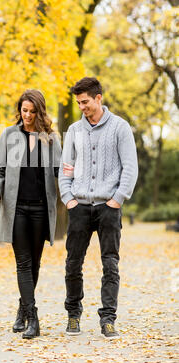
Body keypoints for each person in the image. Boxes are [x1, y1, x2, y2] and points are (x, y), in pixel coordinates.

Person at [58, 77, 138, 339]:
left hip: (108, 207)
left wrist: (117, 199)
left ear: (98, 98)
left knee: (110, 264)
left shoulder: (120, 128)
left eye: (86, 102)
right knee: (72, 263)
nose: (82, 107)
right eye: (78, 103)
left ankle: (108, 319)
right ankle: (73, 315)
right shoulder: (74, 131)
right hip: (79, 206)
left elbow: (130, 167)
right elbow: (65, 169)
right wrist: (68, 198)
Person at [0, 89, 61, 339]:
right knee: (23, 262)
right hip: (16, 207)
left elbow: (60, 172)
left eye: (32, 111)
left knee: (35, 263)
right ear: (19, 109)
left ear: (39, 111)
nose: (27, 115)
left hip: (41, 208)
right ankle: (33, 317)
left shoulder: (50, 138)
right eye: (24, 110)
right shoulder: (9, 135)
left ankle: (22, 309)